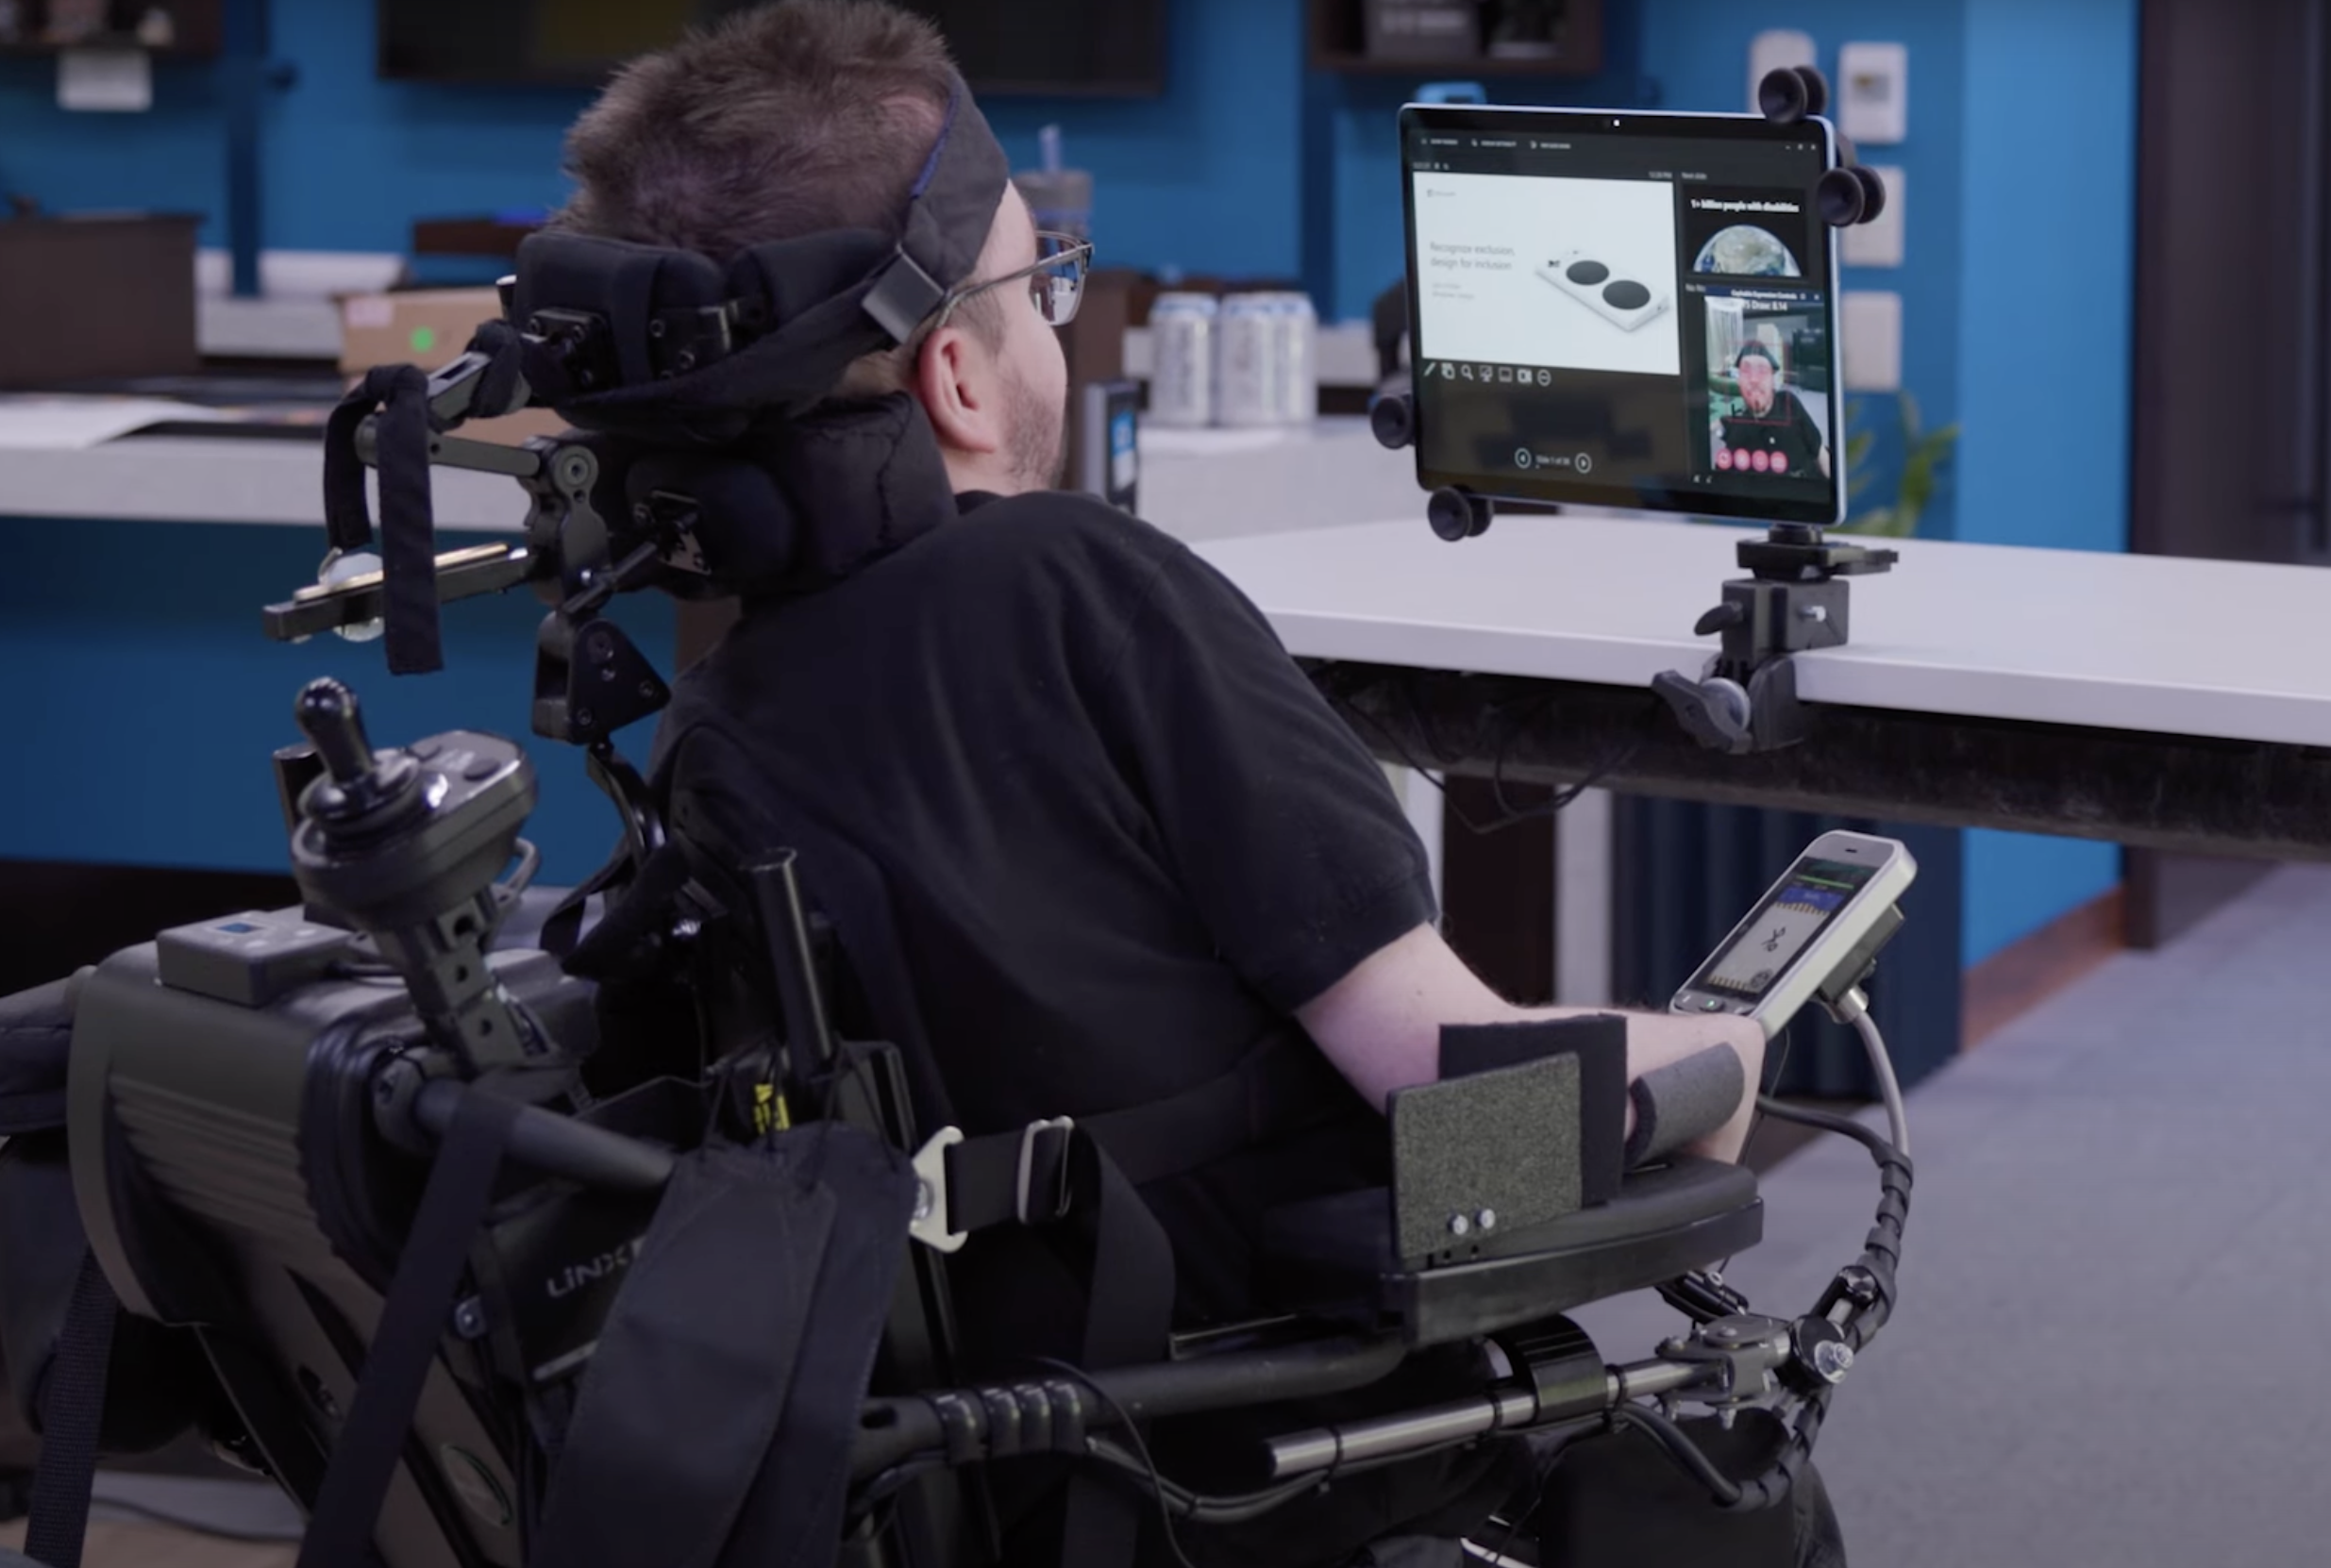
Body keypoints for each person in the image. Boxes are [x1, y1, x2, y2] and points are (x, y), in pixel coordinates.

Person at [551, 2, 1780, 1561]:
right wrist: (1703, 1066)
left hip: (1011, 1472)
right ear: (958, 378)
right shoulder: (1091, 592)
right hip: (1270, 1447)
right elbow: (1463, 1094)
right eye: (1039, 281)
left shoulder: (720, 715)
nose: (1059, 315)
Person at [1716, 342, 1831, 479]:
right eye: (1746, 372)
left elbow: (1818, 450)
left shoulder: (1790, 403)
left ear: (1773, 380)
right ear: (1739, 382)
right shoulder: (1736, 429)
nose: (1753, 379)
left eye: (1762, 370)